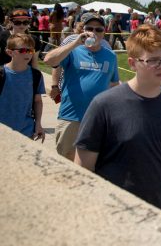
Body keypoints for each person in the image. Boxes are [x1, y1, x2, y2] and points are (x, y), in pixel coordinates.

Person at [74, 25, 161, 229]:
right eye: (152, 60)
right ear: (132, 63)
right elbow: (83, 166)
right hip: (113, 215)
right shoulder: (104, 105)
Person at [44, 12, 119, 160]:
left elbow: (114, 84)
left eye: (99, 29)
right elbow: (49, 60)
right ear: (83, 30)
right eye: (90, 28)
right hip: (71, 116)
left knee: (93, 164)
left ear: (104, 32)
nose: (94, 32)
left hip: (98, 119)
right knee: (67, 162)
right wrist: (75, 43)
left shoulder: (110, 56)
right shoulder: (73, 51)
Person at [0, 33, 45, 141]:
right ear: (10, 52)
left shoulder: (36, 75)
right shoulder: (1, 73)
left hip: (25, 131)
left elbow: (37, 101)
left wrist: (38, 123)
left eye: (31, 51)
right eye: (23, 50)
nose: (28, 54)